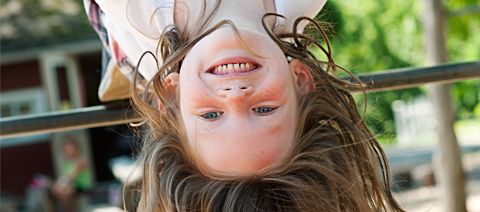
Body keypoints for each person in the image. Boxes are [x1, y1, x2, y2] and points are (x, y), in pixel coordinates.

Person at [85, 0, 405, 211]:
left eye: (211, 115)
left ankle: (125, 67)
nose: (235, 95)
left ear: (174, 96)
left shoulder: (138, 10)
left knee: (140, 63)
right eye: (264, 109)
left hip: (143, 45)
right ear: (301, 81)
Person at [52, 136, 93, 212]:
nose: (68, 152)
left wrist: (60, 185)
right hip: (73, 186)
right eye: (66, 150)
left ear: (76, 149)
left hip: (83, 186)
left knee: (65, 192)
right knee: (58, 190)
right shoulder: (68, 163)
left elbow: (71, 177)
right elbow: (66, 177)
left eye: (70, 149)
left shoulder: (80, 161)